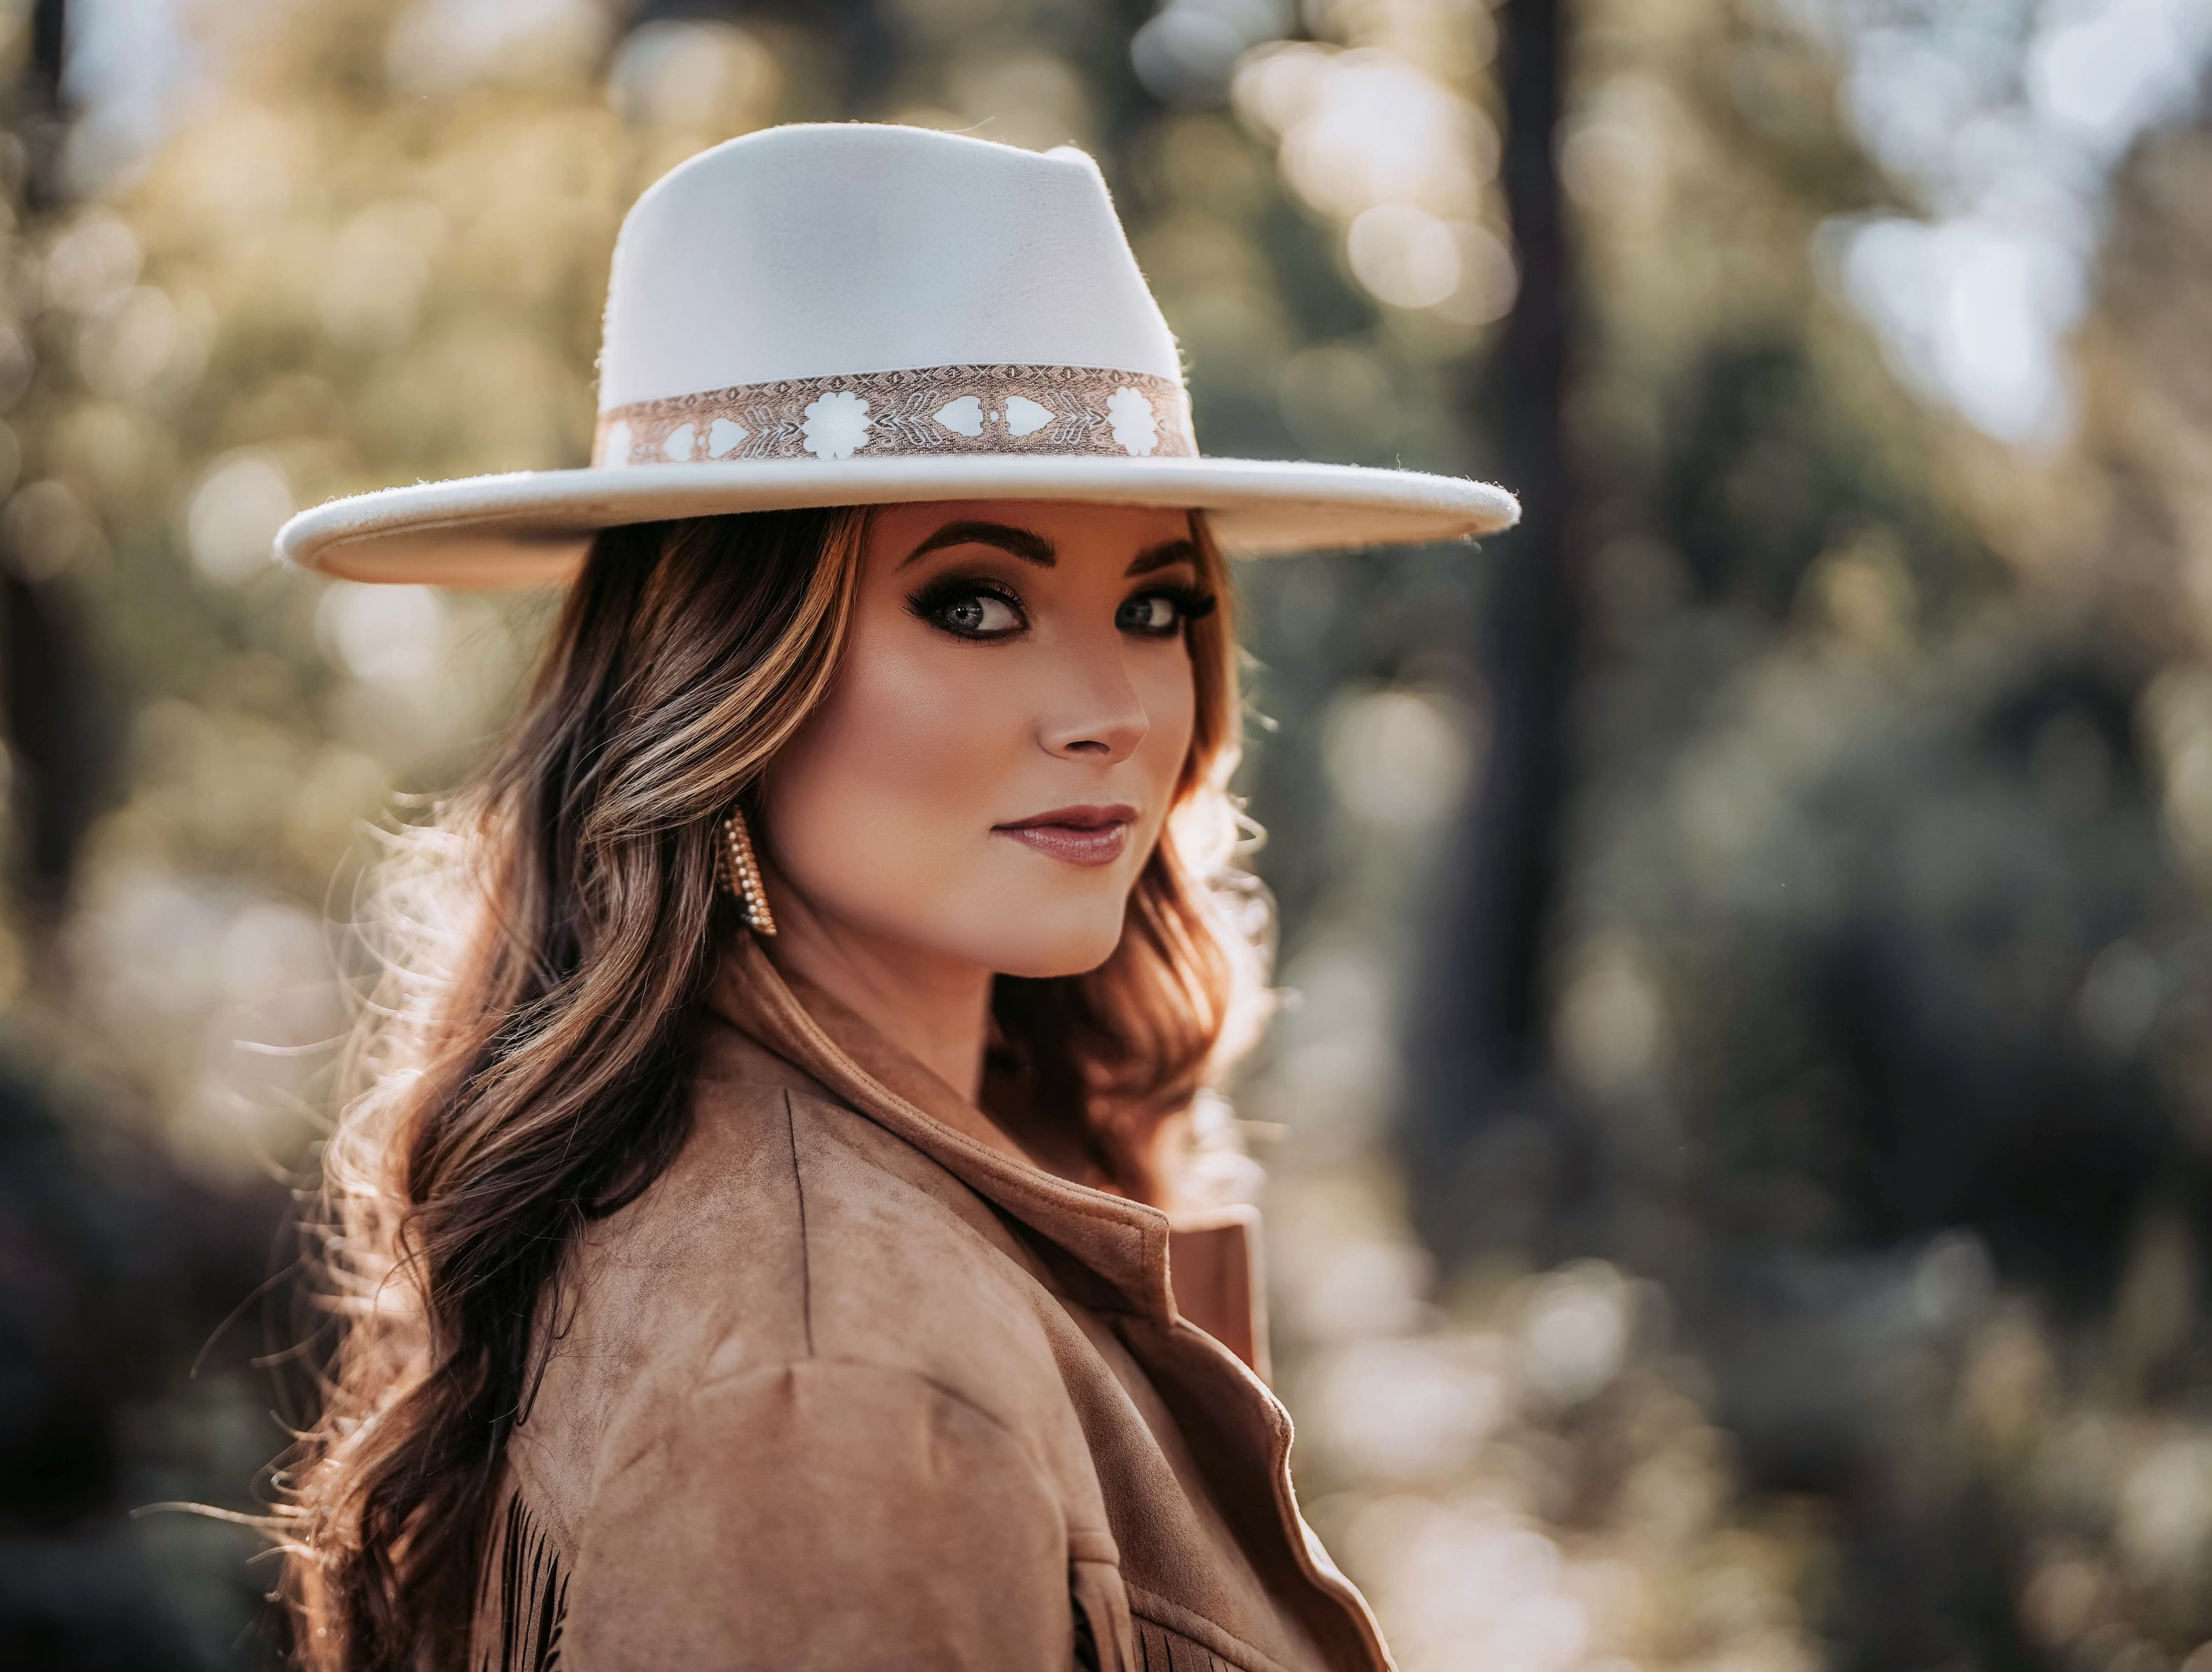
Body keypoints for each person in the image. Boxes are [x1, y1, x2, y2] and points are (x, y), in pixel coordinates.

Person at [270, 121, 1516, 1672]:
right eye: (975, 603)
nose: (1113, 710)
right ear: (724, 679)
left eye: (1156, 605)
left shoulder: (856, 1180)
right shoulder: (838, 1384)